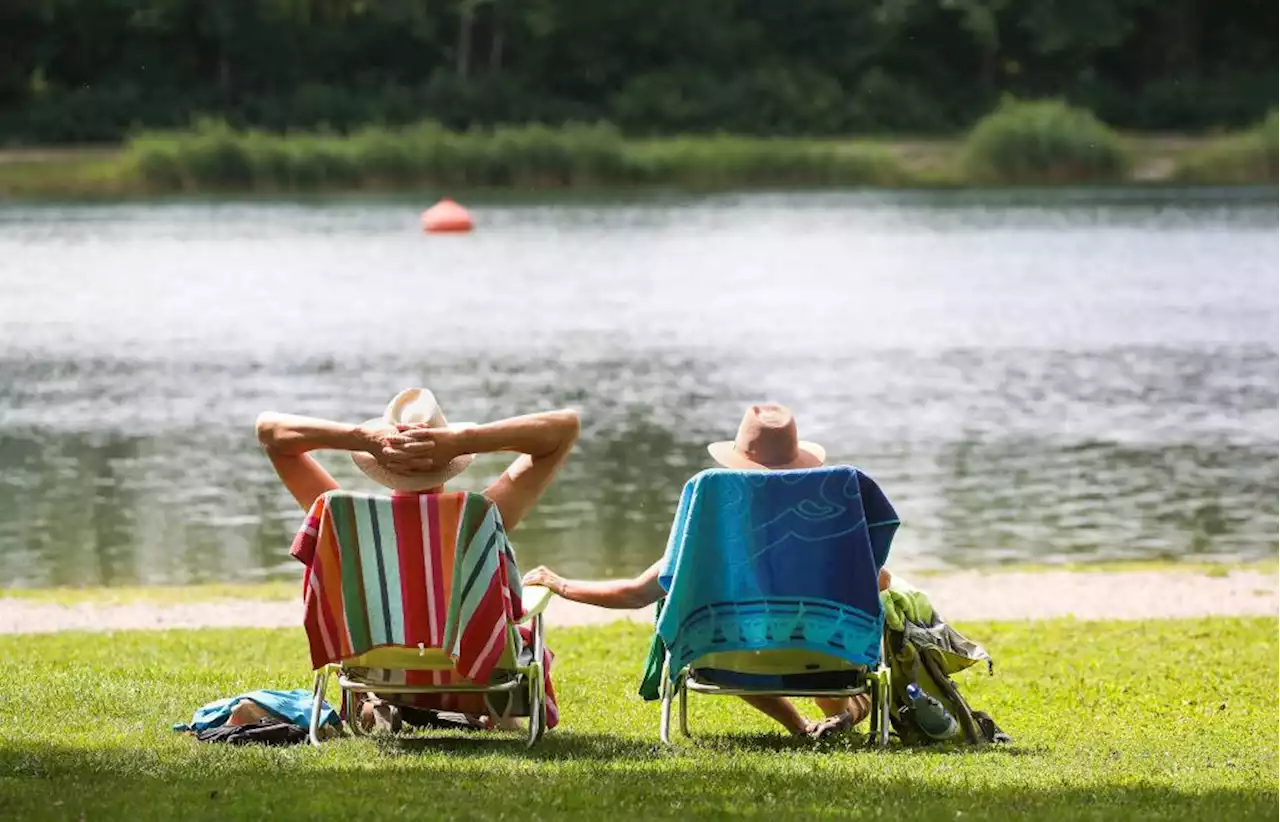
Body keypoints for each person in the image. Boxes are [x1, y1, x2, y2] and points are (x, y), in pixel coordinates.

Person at [522, 403, 891, 740]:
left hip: (724, 663)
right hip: (830, 668)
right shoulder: (827, 538)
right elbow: (880, 583)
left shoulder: (710, 538)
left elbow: (636, 593)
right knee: (816, 629)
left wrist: (561, 584)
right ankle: (844, 711)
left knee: (734, 633)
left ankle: (798, 726)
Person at [256, 387, 580, 731]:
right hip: (475, 675)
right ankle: (496, 713)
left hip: (378, 674)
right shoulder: (477, 516)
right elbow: (565, 427)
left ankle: (379, 703)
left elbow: (269, 431)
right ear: (450, 462)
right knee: (522, 634)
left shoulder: (341, 518)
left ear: (379, 461)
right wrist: (462, 439)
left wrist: (361, 438)